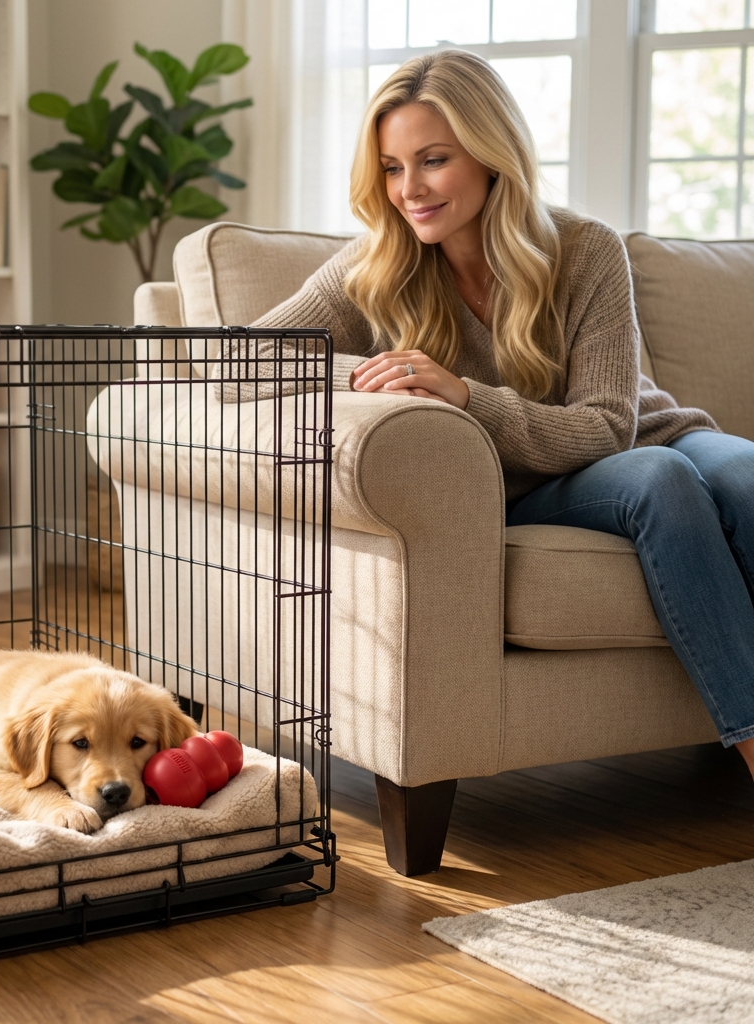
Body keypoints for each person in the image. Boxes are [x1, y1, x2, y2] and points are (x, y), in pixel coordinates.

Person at [237, 49, 754, 778]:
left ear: (490, 152)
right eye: (391, 167)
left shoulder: (583, 250)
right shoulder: (375, 265)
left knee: (744, 472)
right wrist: (368, 373)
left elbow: (608, 425)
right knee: (662, 483)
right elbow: (236, 362)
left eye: (433, 160)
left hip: (633, 437)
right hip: (527, 482)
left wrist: (466, 394)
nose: (409, 189)